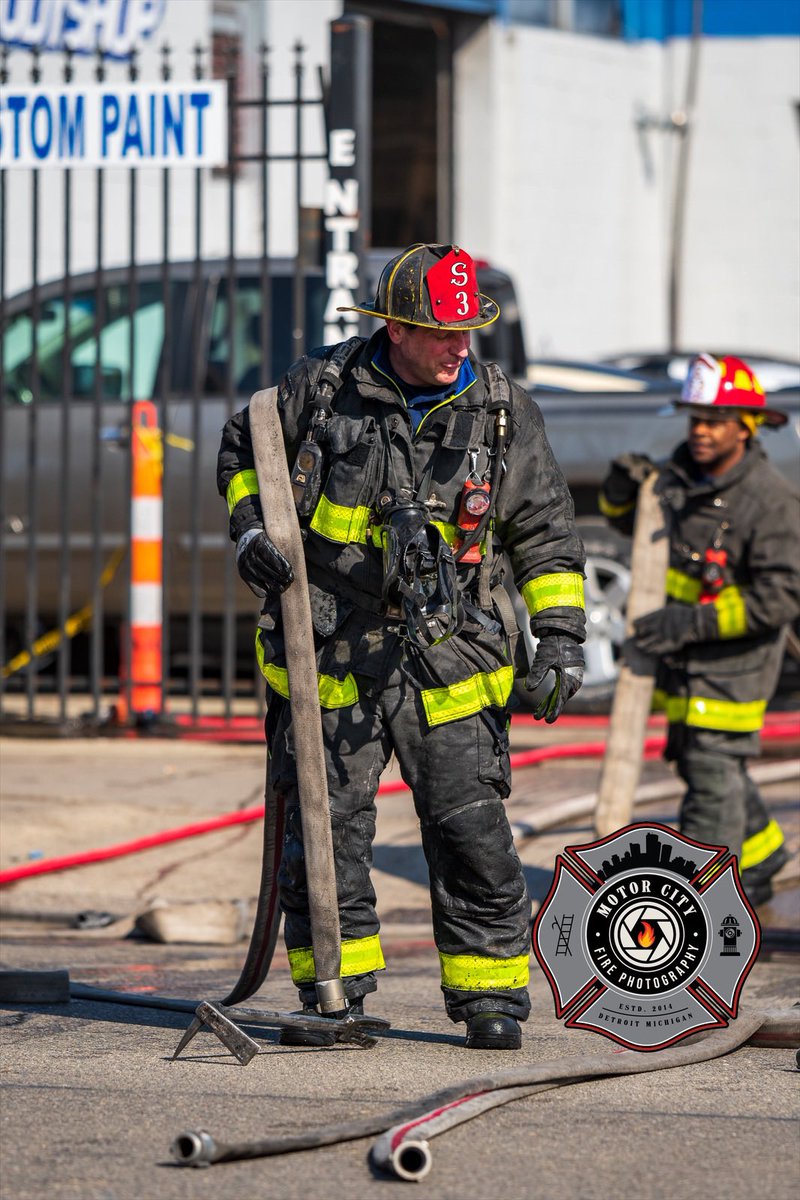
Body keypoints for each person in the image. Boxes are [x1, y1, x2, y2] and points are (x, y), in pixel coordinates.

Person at [217, 243, 586, 1049]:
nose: (461, 345)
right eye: (442, 330)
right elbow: (244, 452)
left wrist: (558, 640)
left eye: (470, 328)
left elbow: (546, 538)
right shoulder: (317, 392)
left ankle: (491, 997)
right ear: (394, 327)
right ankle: (335, 993)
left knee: (471, 831)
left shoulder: (500, 410)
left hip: (452, 654)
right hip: (331, 649)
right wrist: (251, 532)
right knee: (325, 829)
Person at [599, 353, 800, 906]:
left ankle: (703, 901)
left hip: (732, 668)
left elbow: (781, 596)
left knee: (711, 775)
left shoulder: (769, 500)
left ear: (746, 426)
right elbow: (630, 524)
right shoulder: (681, 477)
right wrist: (622, 487)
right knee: (698, 757)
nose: (702, 431)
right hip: (684, 660)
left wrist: (693, 621)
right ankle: (762, 856)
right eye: (695, 420)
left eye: (715, 421)